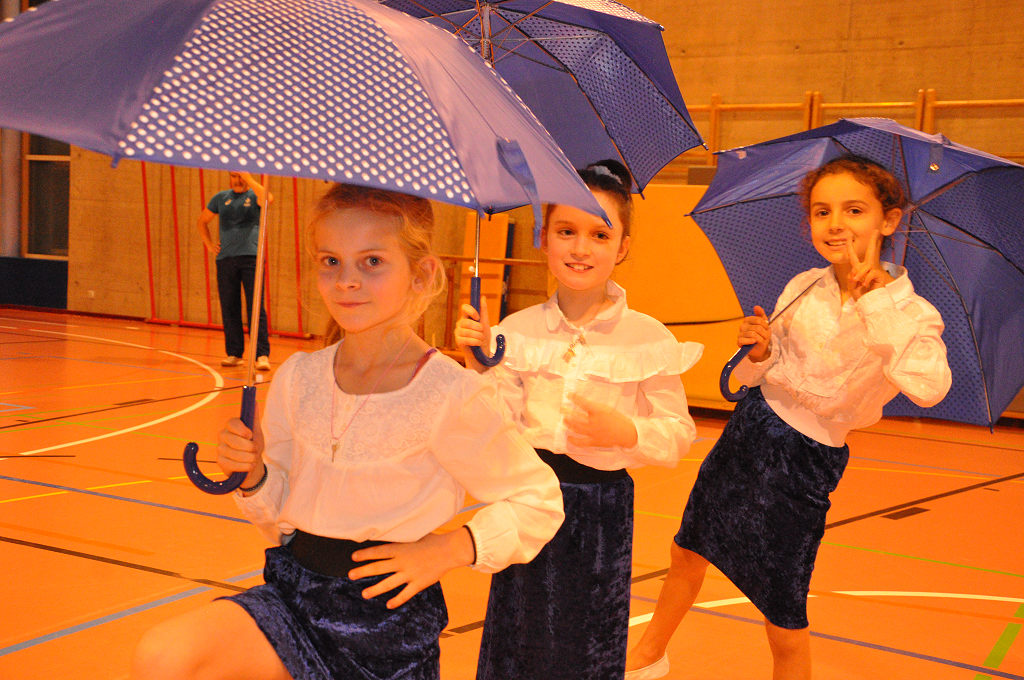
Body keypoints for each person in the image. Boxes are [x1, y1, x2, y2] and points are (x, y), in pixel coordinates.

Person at [132, 184, 565, 680]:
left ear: (421, 274)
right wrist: (252, 476)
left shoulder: (451, 392)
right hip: (293, 599)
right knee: (164, 656)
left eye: (372, 262)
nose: (347, 281)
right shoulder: (299, 377)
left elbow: (539, 500)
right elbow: (278, 517)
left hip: (386, 626)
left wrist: (447, 550)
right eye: (330, 261)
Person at [624, 154, 953, 680]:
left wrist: (876, 304)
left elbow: (930, 388)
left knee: (783, 609)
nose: (836, 224)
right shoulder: (803, 285)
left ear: (889, 221)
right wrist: (760, 353)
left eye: (854, 210)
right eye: (822, 212)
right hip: (750, 431)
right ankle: (650, 654)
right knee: (688, 548)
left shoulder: (913, 313)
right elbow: (763, 372)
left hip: (806, 461)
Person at [456, 159, 703, 680]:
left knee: (586, 643)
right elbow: (495, 427)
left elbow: (679, 433)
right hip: (528, 497)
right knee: (519, 636)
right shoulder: (515, 331)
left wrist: (628, 432)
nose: (580, 247)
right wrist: (479, 366)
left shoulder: (647, 337)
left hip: (600, 512)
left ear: (623, 247)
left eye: (599, 234)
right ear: (543, 238)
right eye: (566, 231)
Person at [198, 171, 272, 371]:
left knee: (255, 306)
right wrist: (210, 245)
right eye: (234, 176)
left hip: (251, 259)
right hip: (226, 260)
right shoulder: (221, 198)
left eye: (240, 176)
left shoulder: (255, 195)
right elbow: (202, 221)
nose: (237, 180)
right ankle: (234, 353)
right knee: (229, 306)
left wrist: (249, 178)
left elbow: (268, 198)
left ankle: (261, 354)